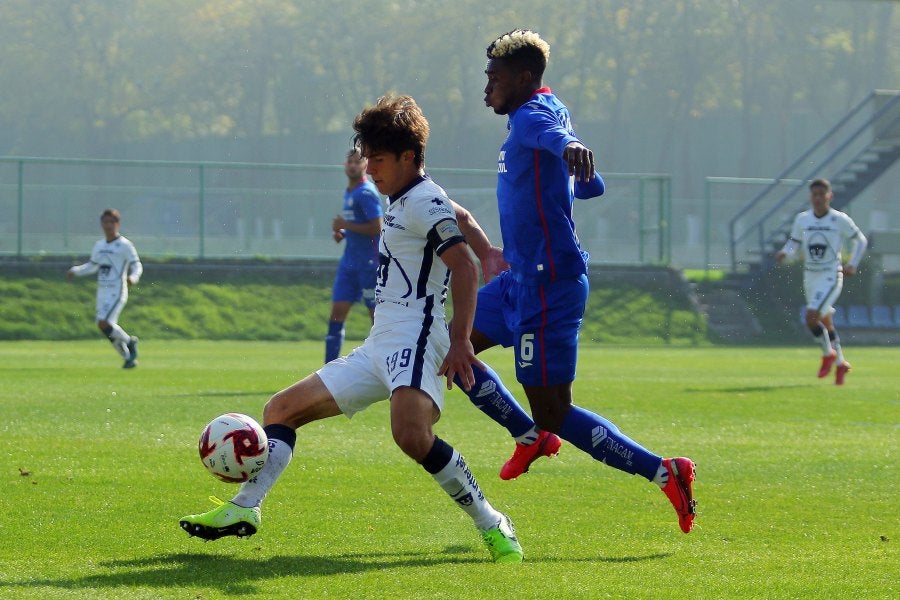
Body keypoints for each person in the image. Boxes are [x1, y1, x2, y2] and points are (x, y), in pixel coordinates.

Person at [180, 94, 524, 563]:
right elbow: (459, 218)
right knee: (281, 408)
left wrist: (462, 337)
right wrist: (487, 248)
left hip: (418, 338)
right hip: (380, 342)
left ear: (408, 157)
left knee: (411, 436)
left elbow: (460, 266)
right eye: (367, 159)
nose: (370, 170)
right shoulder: (412, 198)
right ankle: (245, 509)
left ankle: (491, 522)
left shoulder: (422, 200)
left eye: (378, 160)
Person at [447, 29, 697, 534]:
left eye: (494, 78)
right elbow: (579, 169)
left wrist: (572, 148)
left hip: (549, 289)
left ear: (523, 78)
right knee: (446, 349)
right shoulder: (542, 106)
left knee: (555, 412)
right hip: (518, 280)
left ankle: (664, 470)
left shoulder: (534, 117)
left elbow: (555, 138)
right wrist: (579, 169)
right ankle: (527, 435)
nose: (486, 87)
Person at [775, 178, 867, 385]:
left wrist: (852, 263)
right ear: (810, 197)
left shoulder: (839, 219)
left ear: (829, 196)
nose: (817, 198)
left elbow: (860, 240)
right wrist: (784, 252)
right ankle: (841, 363)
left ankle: (828, 354)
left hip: (831, 275)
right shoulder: (802, 219)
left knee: (811, 316)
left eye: (821, 194)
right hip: (810, 276)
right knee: (825, 321)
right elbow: (794, 242)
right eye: (814, 194)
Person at [325, 148, 383, 363]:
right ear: (344, 165)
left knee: (376, 318)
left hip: (369, 264)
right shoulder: (350, 191)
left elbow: (377, 227)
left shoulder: (366, 192)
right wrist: (344, 233)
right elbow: (359, 226)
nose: (352, 165)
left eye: (357, 162)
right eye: (349, 161)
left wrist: (345, 225)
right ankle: (329, 369)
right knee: (336, 313)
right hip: (349, 263)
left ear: (365, 165)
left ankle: (384, 363)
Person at [66, 208, 142, 369]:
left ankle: (130, 342)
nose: (108, 225)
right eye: (105, 222)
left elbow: (137, 265)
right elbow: (92, 266)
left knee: (104, 322)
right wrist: (76, 270)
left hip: (117, 290)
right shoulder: (99, 245)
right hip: (103, 291)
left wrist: (133, 278)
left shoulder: (125, 245)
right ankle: (128, 357)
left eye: (111, 222)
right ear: (101, 224)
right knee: (104, 326)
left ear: (117, 224)